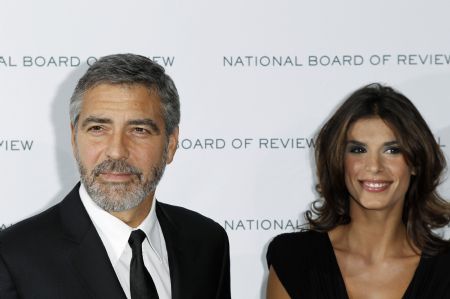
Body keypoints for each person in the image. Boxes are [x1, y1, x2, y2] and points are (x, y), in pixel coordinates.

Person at [0, 54, 231, 299]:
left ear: (171, 144)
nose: (117, 150)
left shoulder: (206, 241)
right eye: (98, 129)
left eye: (139, 130)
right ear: (74, 138)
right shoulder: (12, 259)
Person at [266, 83, 450, 298]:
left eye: (392, 150)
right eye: (358, 150)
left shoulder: (446, 269)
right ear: (339, 161)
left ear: (416, 163)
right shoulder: (294, 259)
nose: (374, 166)